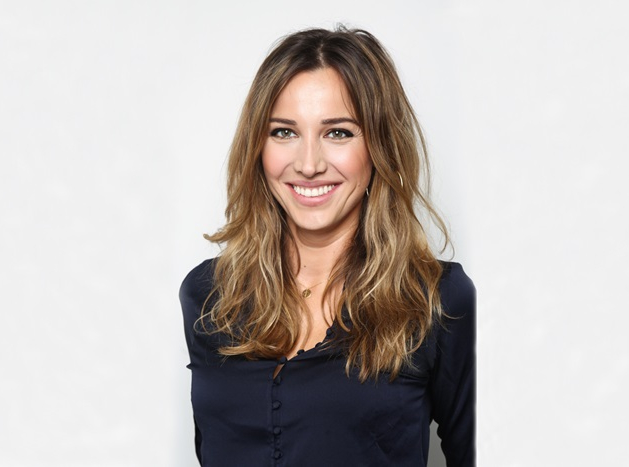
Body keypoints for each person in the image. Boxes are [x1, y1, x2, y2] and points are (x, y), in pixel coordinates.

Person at [180, 26, 475, 467]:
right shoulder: (208, 295)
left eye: (338, 133)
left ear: (379, 146)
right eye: (284, 132)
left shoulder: (438, 300)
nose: (308, 164)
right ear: (257, 147)